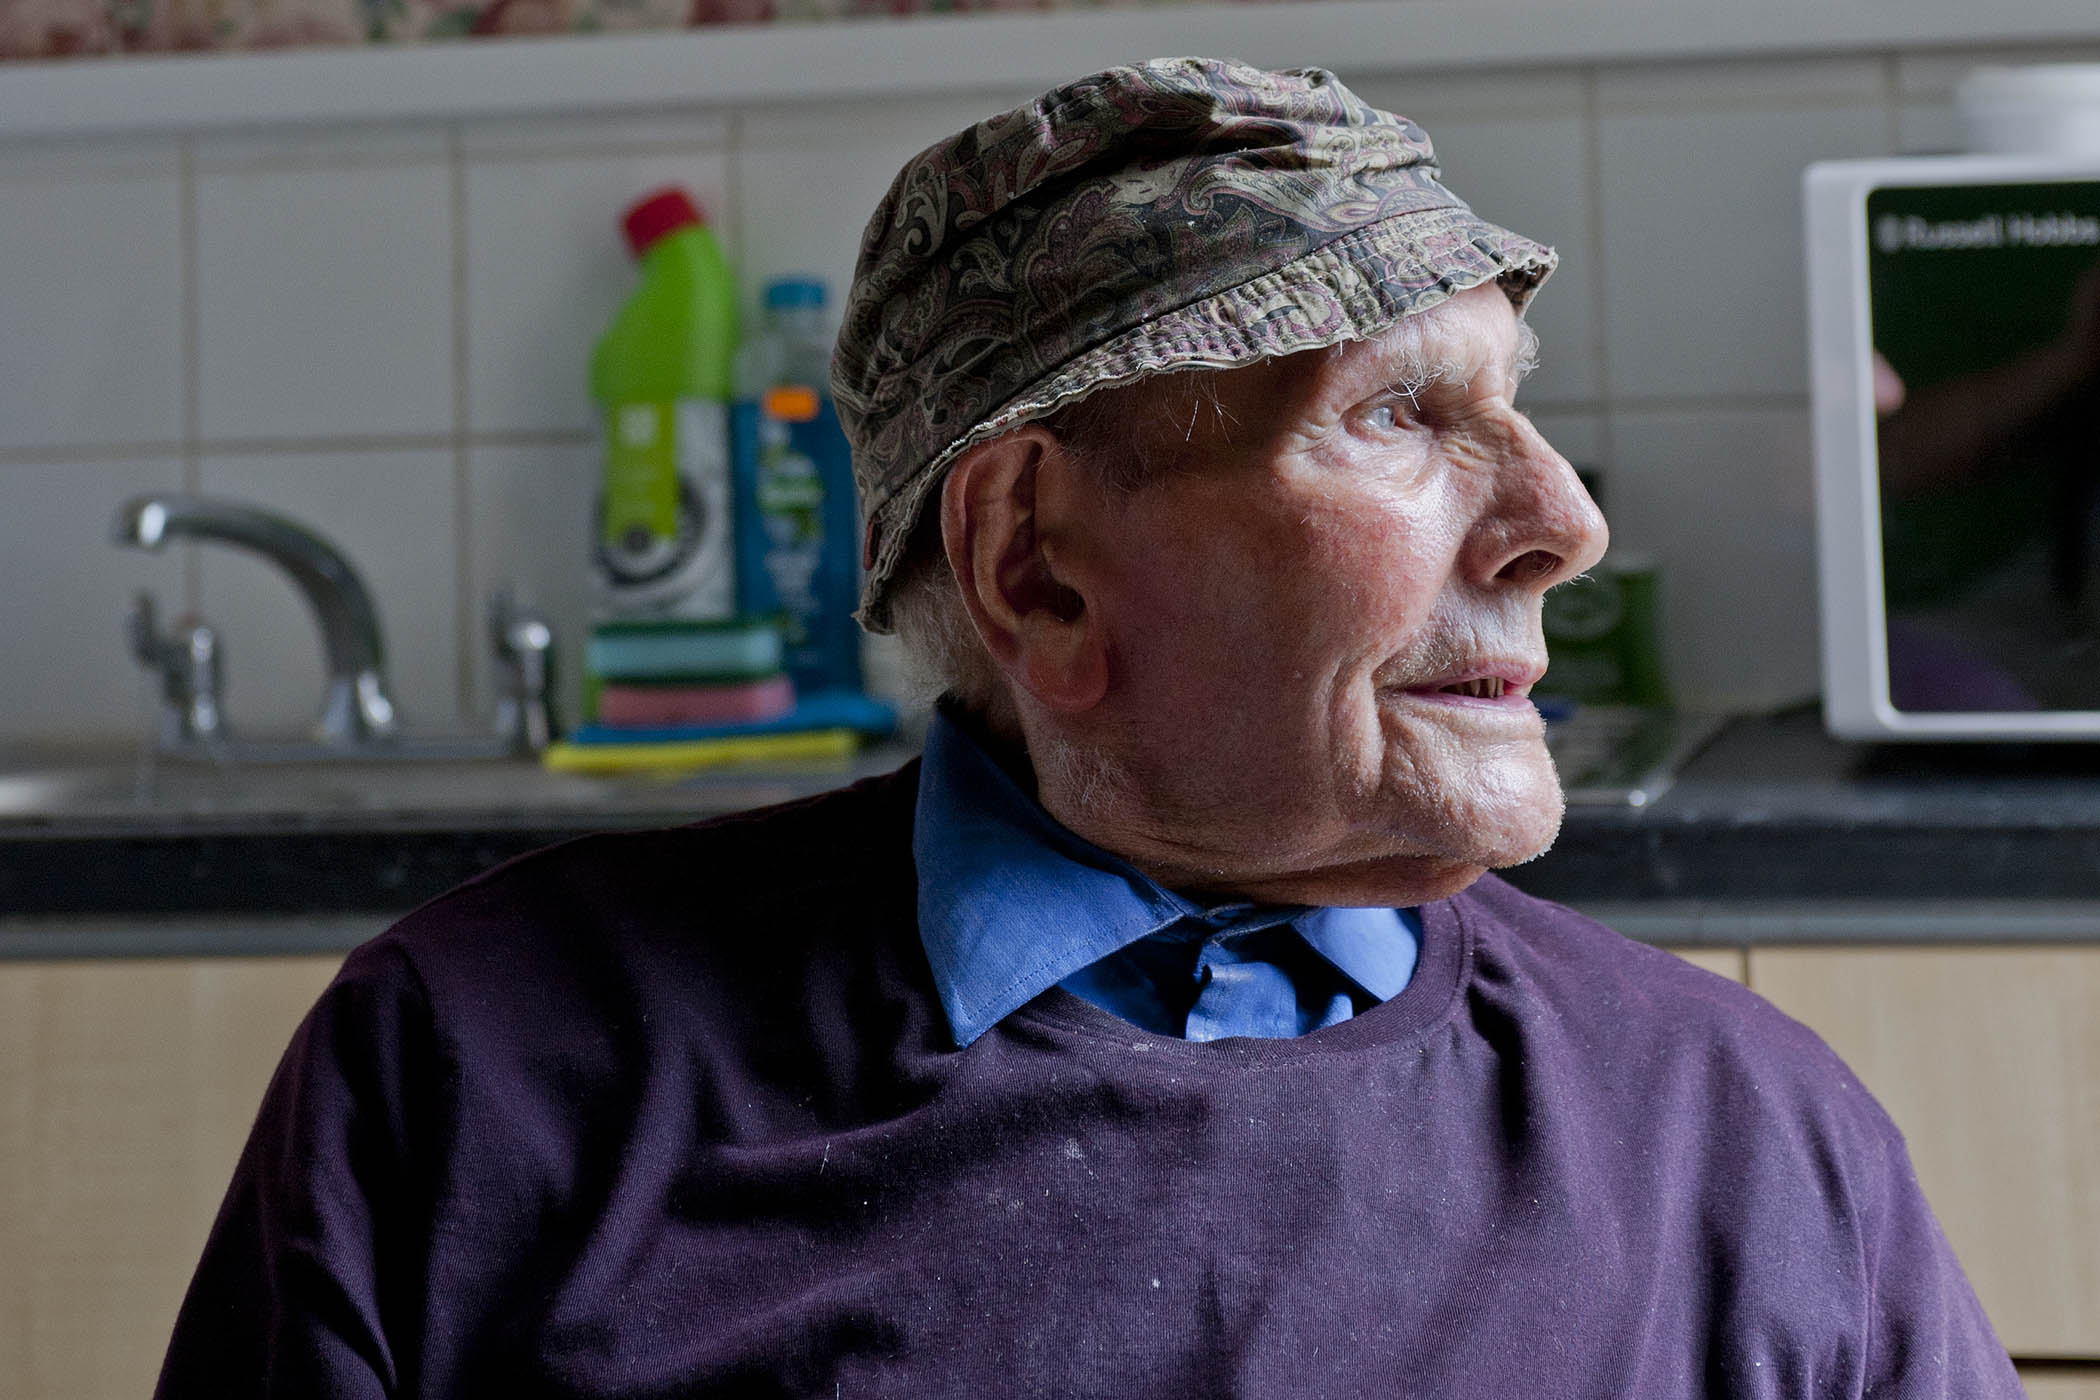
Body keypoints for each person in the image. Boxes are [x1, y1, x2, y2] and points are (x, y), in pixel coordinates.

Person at [156, 58, 2019, 1398]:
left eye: (1516, 406)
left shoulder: (1740, 1137)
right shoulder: (481, 1078)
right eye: (1396, 414)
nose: (1564, 520)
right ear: (1034, 565)